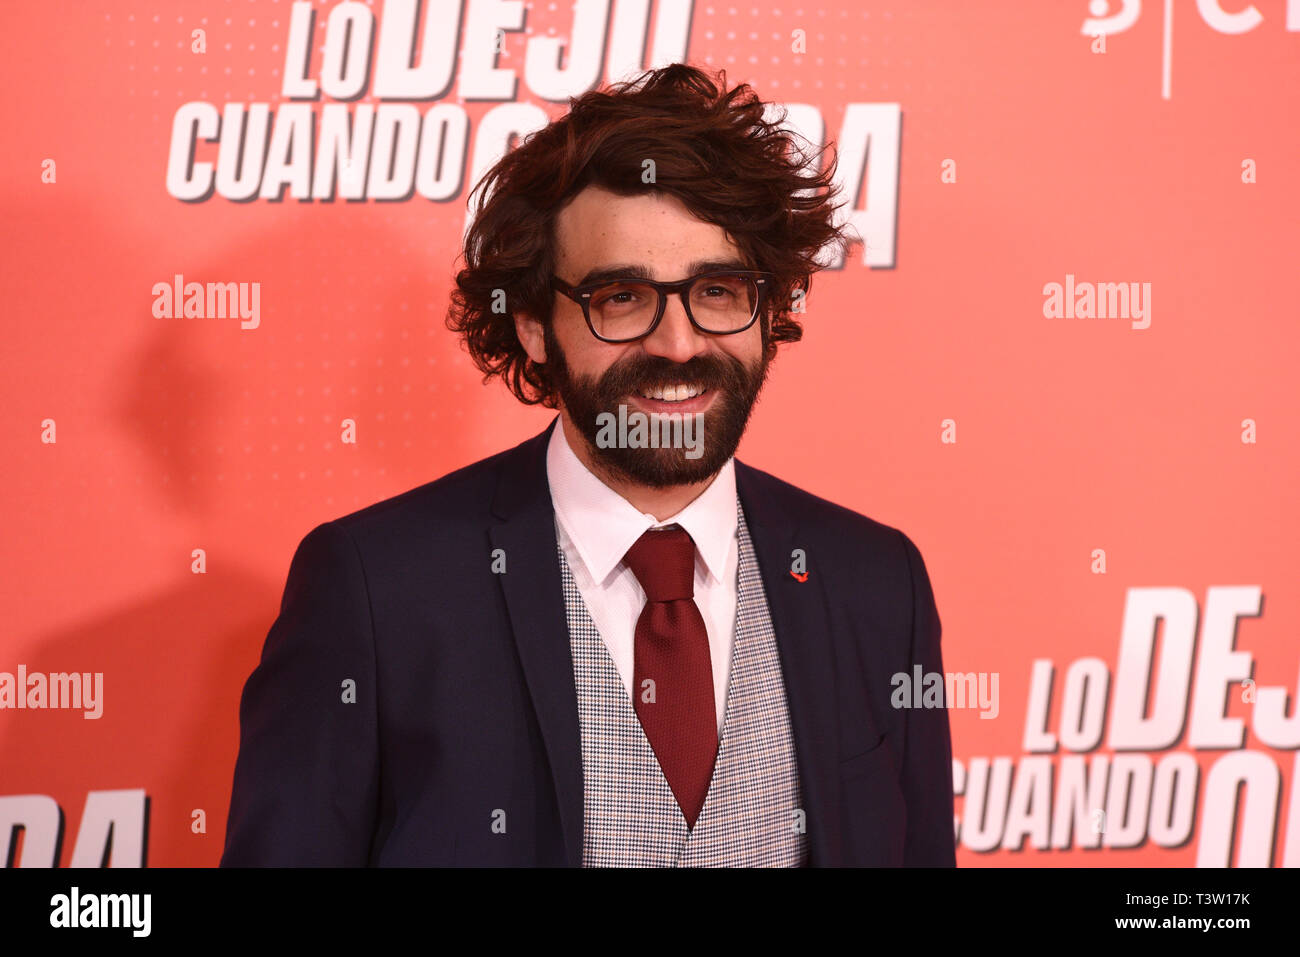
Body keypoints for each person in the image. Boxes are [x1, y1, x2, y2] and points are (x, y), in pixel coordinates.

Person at [221, 63, 955, 867]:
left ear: (768, 308)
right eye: (622, 298)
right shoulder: (374, 589)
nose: (679, 344)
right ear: (535, 326)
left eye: (716, 290)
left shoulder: (877, 583)